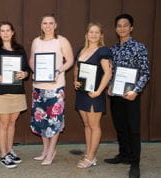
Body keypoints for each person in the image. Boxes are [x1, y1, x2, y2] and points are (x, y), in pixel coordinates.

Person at [104, 14, 150, 178]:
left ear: (131, 28)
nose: (122, 28)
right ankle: (124, 154)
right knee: (120, 126)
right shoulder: (113, 49)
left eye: (125, 25)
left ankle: (135, 162)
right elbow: (111, 72)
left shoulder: (139, 47)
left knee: (133, 129)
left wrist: (136, 91)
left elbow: (145, 73)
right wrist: (109, 85)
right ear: (116, 29)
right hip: (116, 94)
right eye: (119, 25)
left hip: (131, 95)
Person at [29, 14, 74, 165]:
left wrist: (58, 71)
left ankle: (51, 151)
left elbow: (70, 60)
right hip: (38, 87)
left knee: (54, 120)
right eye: (45, 23)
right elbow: (31, 60)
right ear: (41, 25)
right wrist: (35, 70)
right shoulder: (36, 41)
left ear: (55, 25)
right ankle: (45, 149)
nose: (47, 26)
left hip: (55, 87)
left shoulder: (61, 41)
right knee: (41, 119)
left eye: (50, 23)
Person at [0, 21, 29, 168]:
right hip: (1, 92)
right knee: (3, 124)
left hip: (17, 91)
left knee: (12, 123)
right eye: (2, 31)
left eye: (8, 30)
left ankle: (10, 151)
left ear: (13, 32)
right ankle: (3, 154)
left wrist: (25, 73)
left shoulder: (20, 50)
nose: (5, 33)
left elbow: (27, 69)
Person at [73, 22, 112, 168]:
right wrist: (75, 81)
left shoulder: (103, 50)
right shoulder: (81, 49)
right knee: (87, 125)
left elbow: (108, 73)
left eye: (97, 32)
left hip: (94, 93)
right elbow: (77, 68)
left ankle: (90, 158)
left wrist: (99, 91)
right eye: (91, 32)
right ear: (86, 34)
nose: (94, 35)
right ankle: (90, 153)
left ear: (101, 35)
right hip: (82, 92)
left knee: (94, 126)